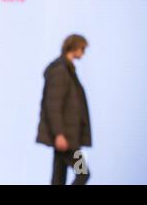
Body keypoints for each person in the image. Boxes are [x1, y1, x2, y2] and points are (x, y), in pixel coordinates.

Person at [36, 34, 91, 185]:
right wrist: (59, 134)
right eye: (82, 48)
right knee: (83, 173)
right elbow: (53, 104)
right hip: (66, 138)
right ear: (74, 47)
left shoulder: (67, 70)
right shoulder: (61, 71)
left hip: (67, 137)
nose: (83, 52)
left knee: (58, 180)